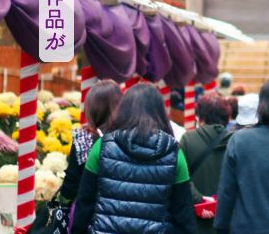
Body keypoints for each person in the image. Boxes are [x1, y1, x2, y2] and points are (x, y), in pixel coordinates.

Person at [69, 82, 198, 234]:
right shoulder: (174, 152)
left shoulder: (101, 147)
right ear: (160, 112)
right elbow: (184, 214)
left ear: (123, 109)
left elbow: (84, 203)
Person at [215, 77, 269, 234]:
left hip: (246, 227)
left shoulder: (239, 140)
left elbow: (227, 191)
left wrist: (221, 227)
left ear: (262, 106)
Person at [59, 80, 122, 204]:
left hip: (91, 214)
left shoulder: (84, 138)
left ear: (91, 108)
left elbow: (69, 189)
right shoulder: (132, 137)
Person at [181, 93, 233, 234]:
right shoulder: (236, 141)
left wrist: (200, 199)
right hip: (227, 219)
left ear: (201, 116)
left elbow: (179, 177)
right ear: (226, 116)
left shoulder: (187, 139)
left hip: (194, 219)